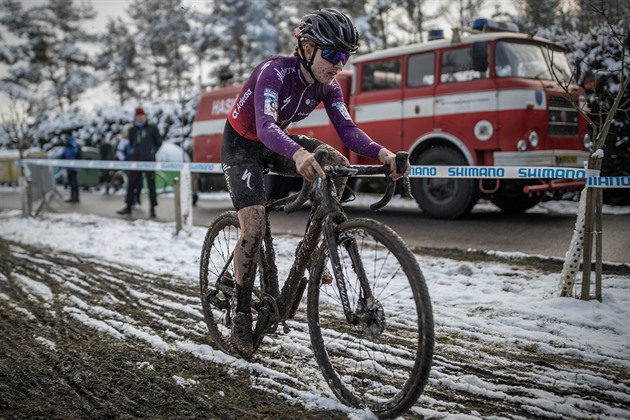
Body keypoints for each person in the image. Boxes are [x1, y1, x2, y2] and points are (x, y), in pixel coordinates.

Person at [221, 8, 409, 356]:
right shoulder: (273, 72)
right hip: (243, 146)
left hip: (277, 141)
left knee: (335, 162)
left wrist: (383, 154)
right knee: (254, 225)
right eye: (333, 55)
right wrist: (297, 154)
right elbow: (265, 125)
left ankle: (311, 250)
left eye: (345, 57)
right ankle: (242, 315)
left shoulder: (328, 87)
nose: (339, 65)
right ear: (306, 48)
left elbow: (348, 131)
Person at [117, 107, 162, 218]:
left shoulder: (152, 128)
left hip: (149, 160)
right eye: (138, 115)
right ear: (136, 116)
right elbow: (132, 143)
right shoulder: (133, 130)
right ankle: (128, 206)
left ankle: (152, 208)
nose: (140, 117)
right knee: (131, 184)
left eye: (142, 115)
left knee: (151, 185)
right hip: (136, 160)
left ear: (145, 116)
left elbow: (159, 142)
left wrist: (152, 152)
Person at [59, 133, 81, 203]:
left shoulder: (69, 144)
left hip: (70, 166)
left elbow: (66, 154)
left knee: (72, 182)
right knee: (74, 182)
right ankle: (76, 197)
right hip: (75, 166)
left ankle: (73, 197)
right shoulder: (74, 143)